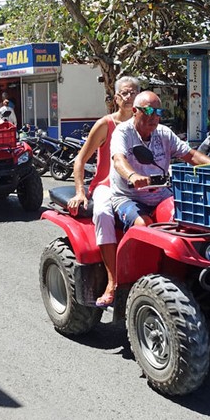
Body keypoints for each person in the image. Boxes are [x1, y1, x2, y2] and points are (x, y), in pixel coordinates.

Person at [107, 91, 210, 305]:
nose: (153, 116)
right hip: (128, 196)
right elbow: (119, 160)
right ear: (136, 111)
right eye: (148, 110)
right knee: (144, 226)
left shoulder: (164, 133)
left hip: (160, 194)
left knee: (189, 223)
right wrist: (133, 176)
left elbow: (190, 155)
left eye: (158, 111)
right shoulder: (123, 132)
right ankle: (139, 282)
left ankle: (185, 276)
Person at [67, 77, 141, 307]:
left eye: (134, 93)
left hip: (138, 186)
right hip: (106, 186)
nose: (129, 97)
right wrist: (80, 192)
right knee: (103, 214)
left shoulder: (147, 123)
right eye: (125, 93)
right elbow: (80, 160)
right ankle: (113, 281)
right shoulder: (105, 124)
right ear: (117, 98)